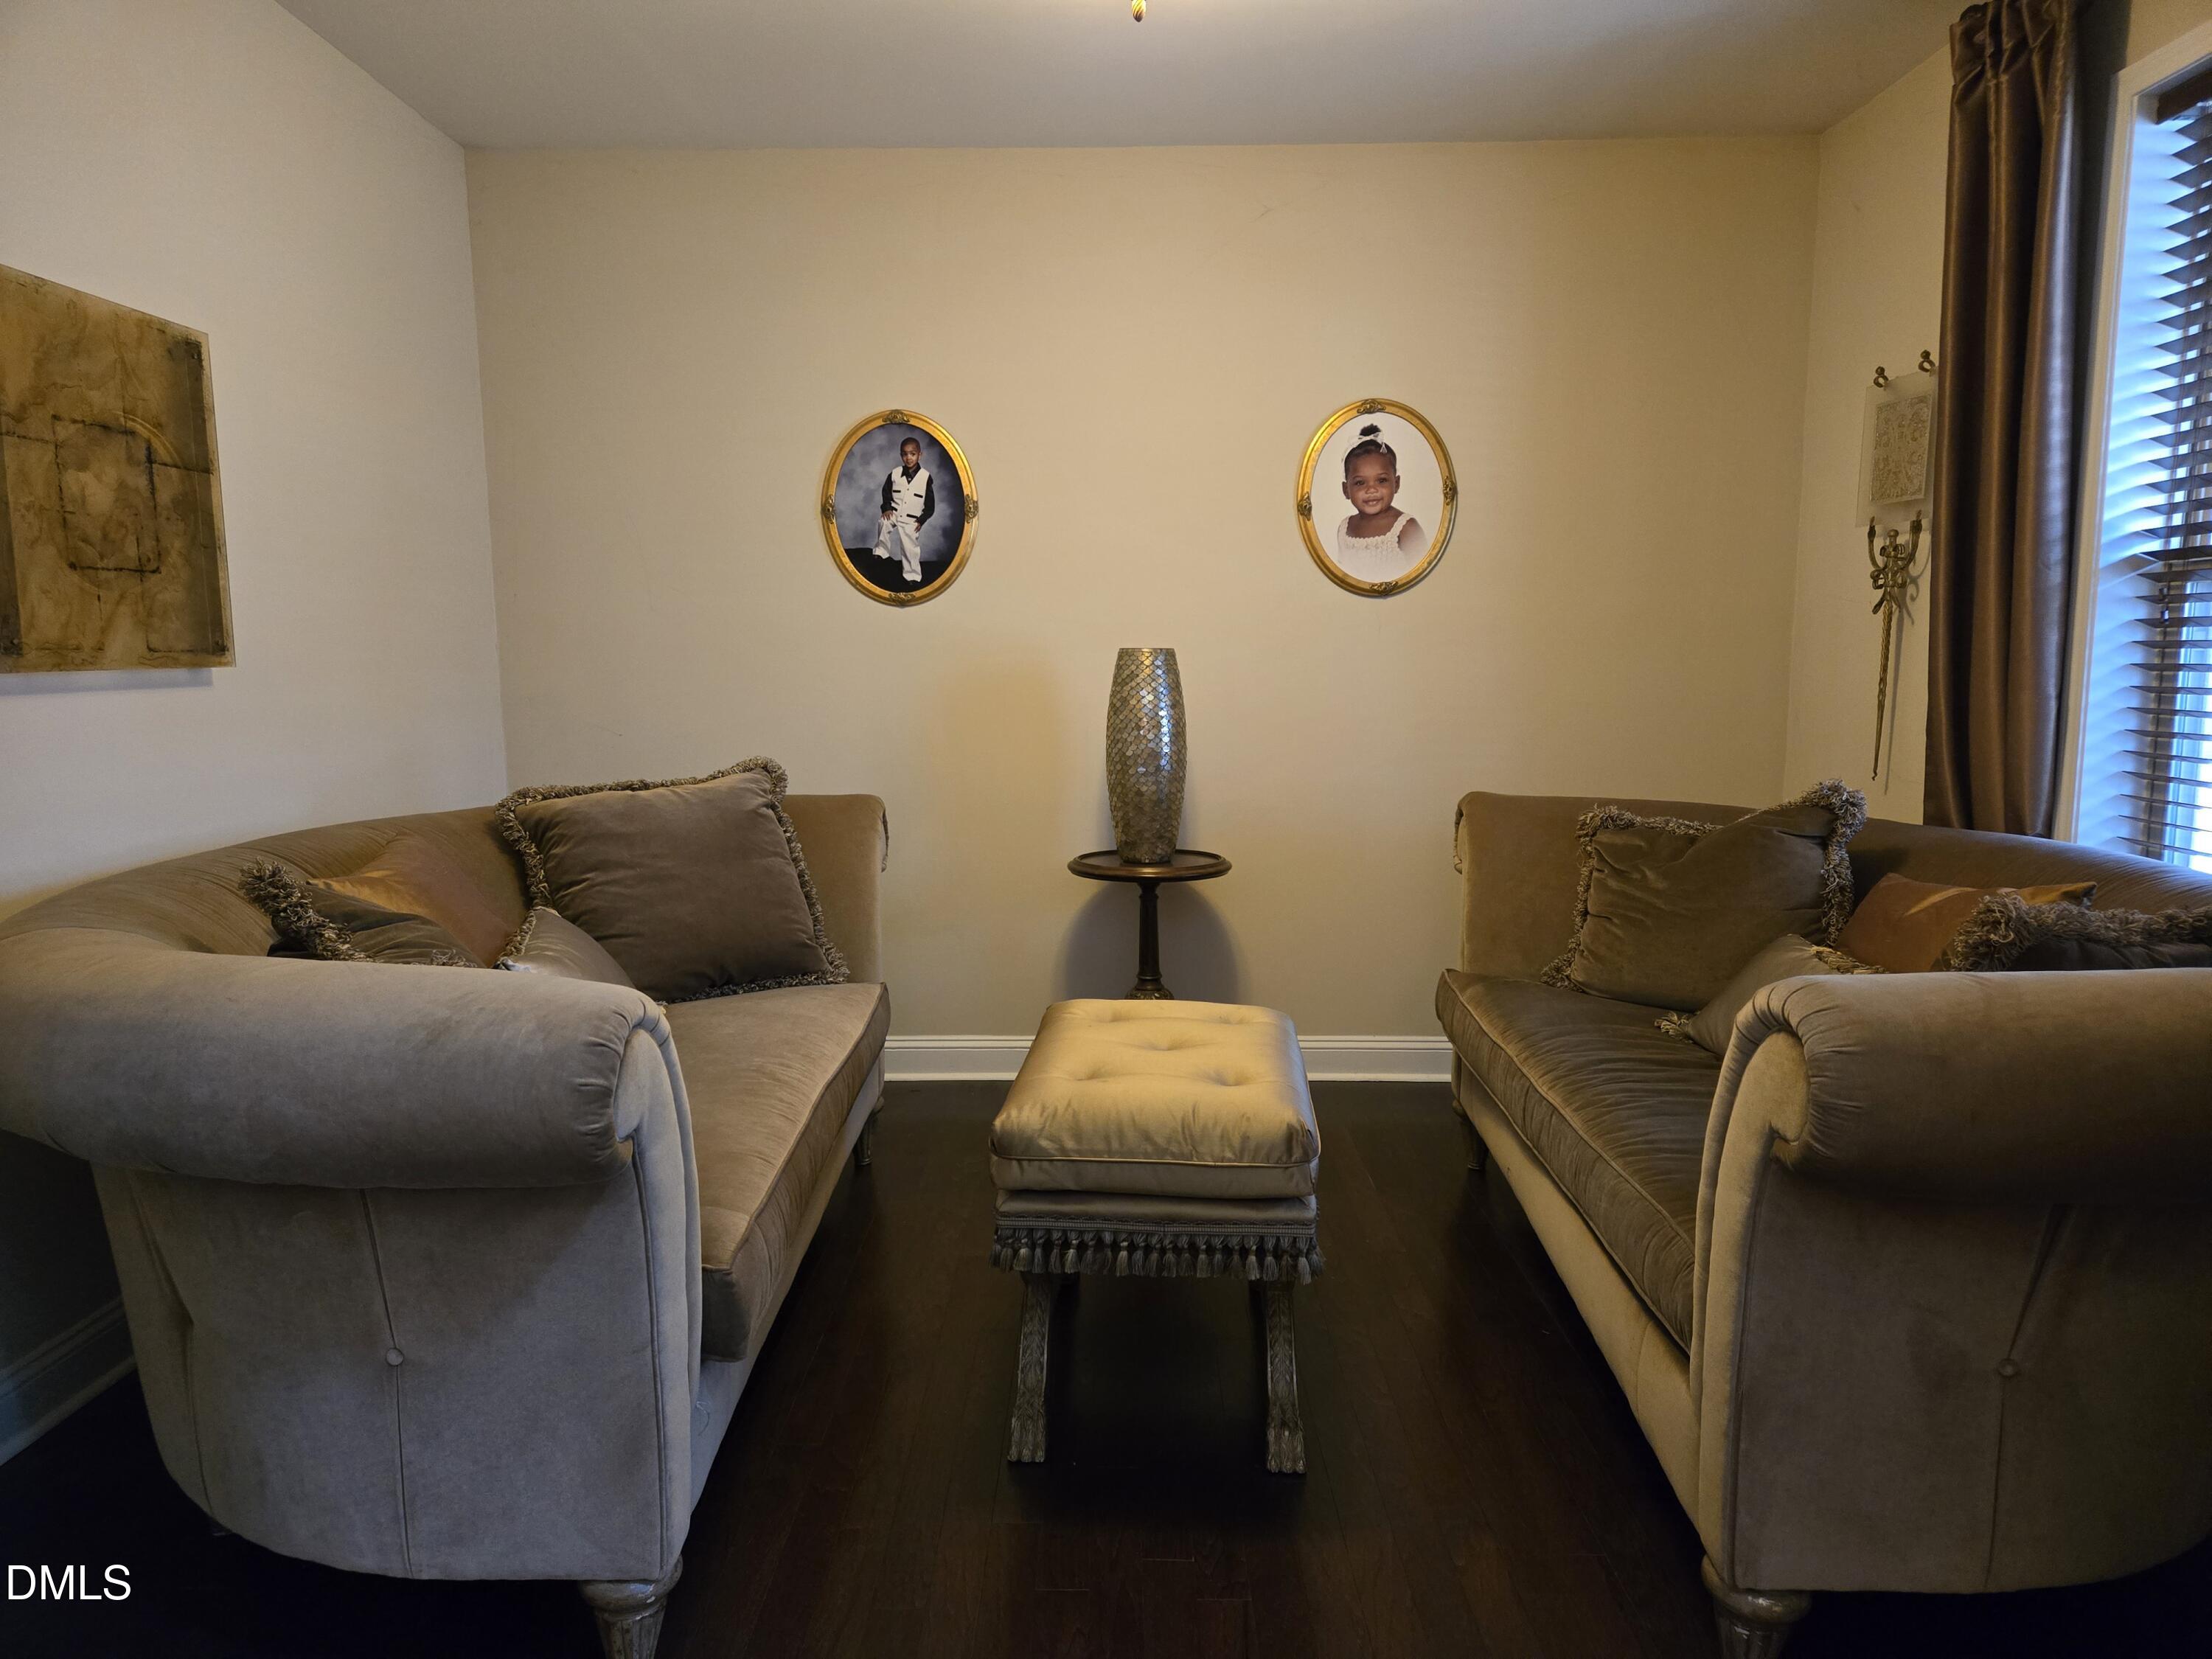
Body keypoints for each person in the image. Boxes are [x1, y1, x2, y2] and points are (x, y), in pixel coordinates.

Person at [1333, 423, 1425, 583]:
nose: (1371, 490)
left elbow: (1424, 579)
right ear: (1345, 490)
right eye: (1360, 483)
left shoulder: (1406, 528)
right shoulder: (1344, 528)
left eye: (1381, 481)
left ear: (1396, 484)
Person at [874, 435, 936, 584]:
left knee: (910, 548)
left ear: (920, 455)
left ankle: (912, 576)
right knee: (883, 522)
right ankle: (881, 552)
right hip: (894, 513)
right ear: (901, 455)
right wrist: (887, 508)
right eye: (905, 454)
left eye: (913, 454)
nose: (909, 458)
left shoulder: (925, 477)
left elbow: (930, 506)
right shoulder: (894, 474)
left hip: (911, 519)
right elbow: (886, 492)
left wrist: (921, 521)